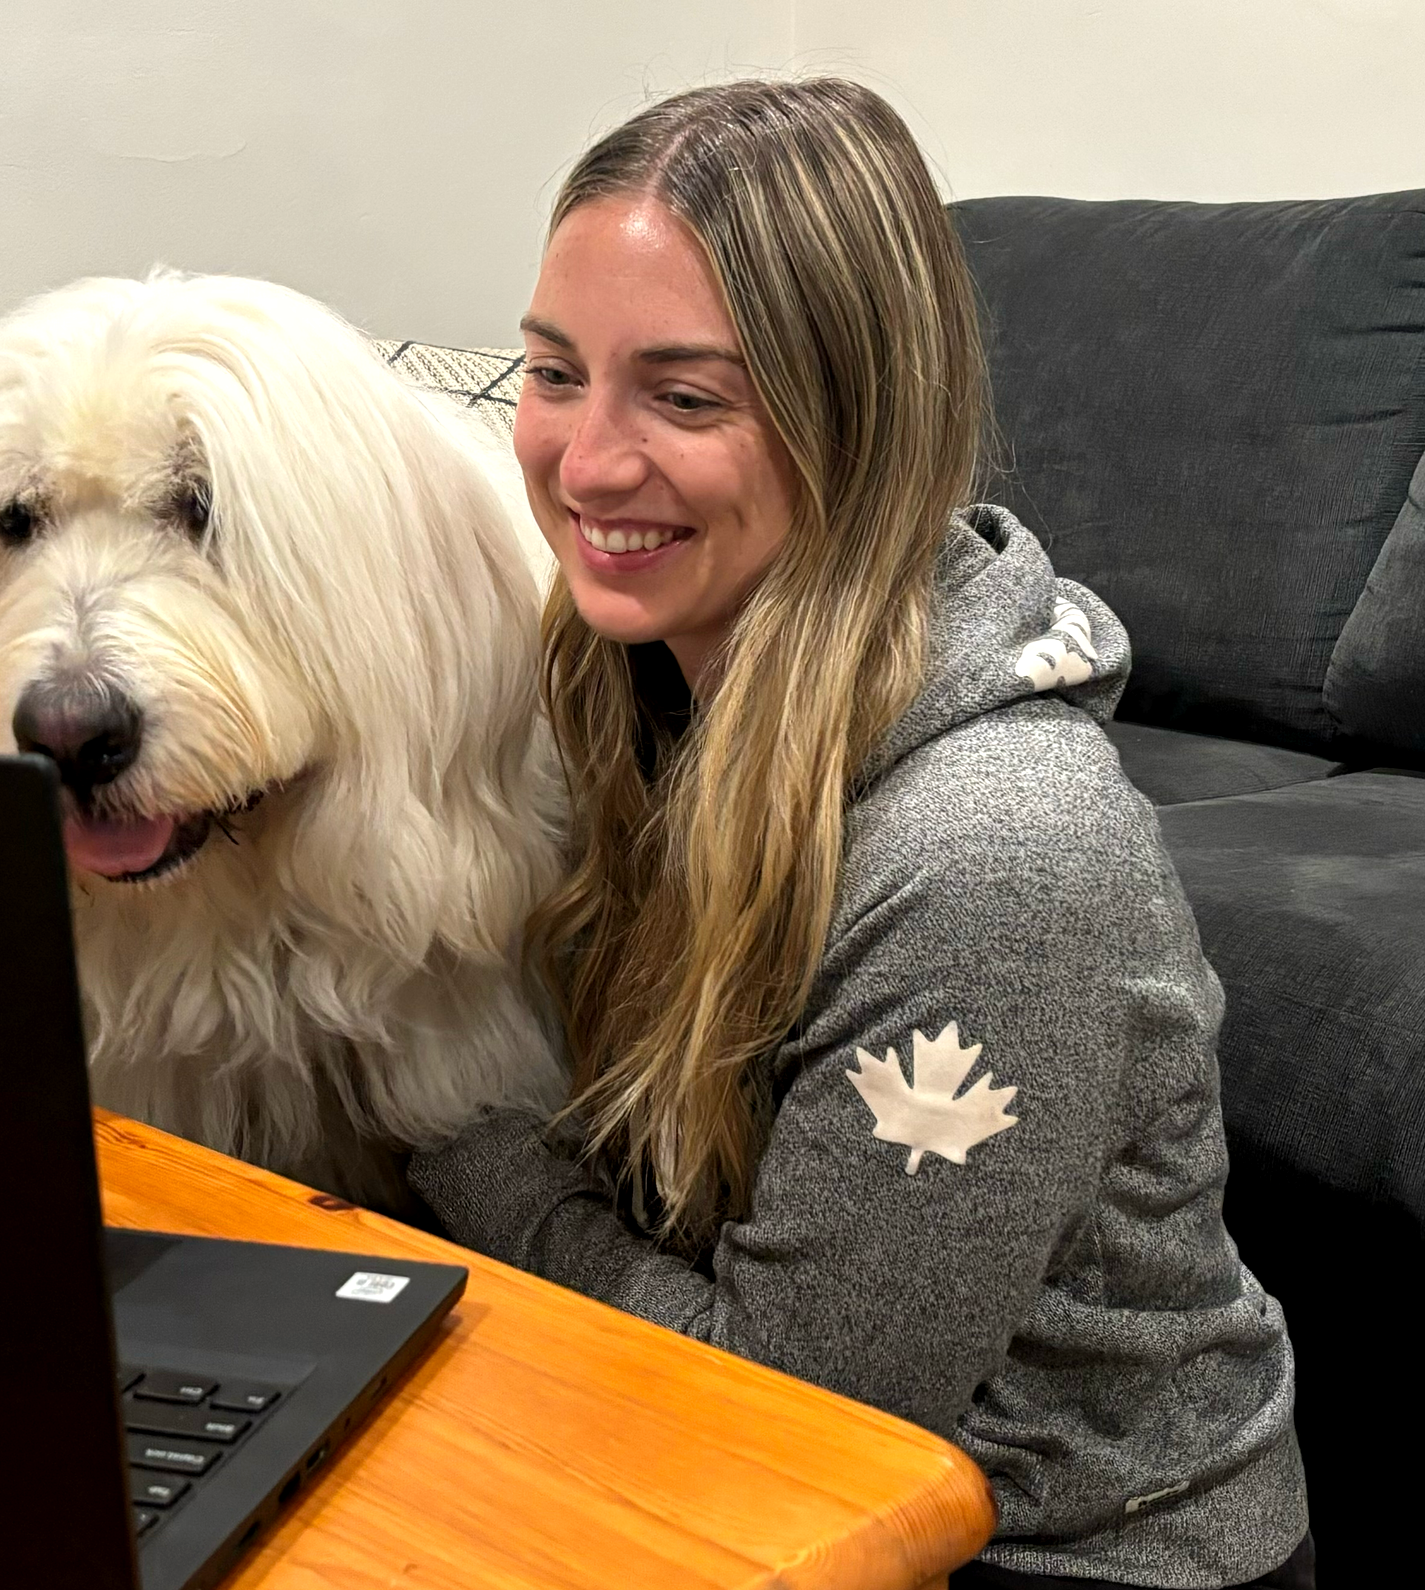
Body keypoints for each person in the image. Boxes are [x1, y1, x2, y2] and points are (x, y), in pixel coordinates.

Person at [407, 78, 1313, 1589]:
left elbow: (797, 1415)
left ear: (858, 422)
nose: (583, 463)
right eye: (554, 373)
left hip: (1056, 1552)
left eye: (684, 397)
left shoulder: (996, 858)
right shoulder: (621, 673)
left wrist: (447, 1127)